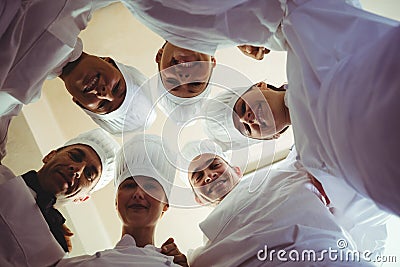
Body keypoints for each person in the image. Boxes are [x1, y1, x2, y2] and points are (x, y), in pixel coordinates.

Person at [120, 0, 400, 215]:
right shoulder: (308, 163)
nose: (249, 120)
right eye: (247, 129)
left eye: (241, 108)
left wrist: (252, 29)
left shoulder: (300, 47)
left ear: (260, 85)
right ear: (272, 137)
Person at [179, 140, 381, 266]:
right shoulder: (202, 254)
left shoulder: (284, 174)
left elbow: (311, 140)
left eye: (215, 165)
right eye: (198, 177)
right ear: (198, 198)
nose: (209, 175)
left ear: (237, 170)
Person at [0, 134, 189, 266]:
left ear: (165, 205)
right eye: (129, 185)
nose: (138, 193)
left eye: (150, 187)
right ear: (116, 202)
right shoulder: (67, 260)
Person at [0, 0, 156, 161]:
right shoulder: (79, 6)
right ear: (109, 61)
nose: (104, 93)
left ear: (79, 103)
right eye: (117, 87)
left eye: (102, 105)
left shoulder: (17, 95)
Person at [0, 128, 119, 259]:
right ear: (49, 156)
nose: (78, 170)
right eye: (75, 156)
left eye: (89, 174)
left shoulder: (53, 251)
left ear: (82, 198)